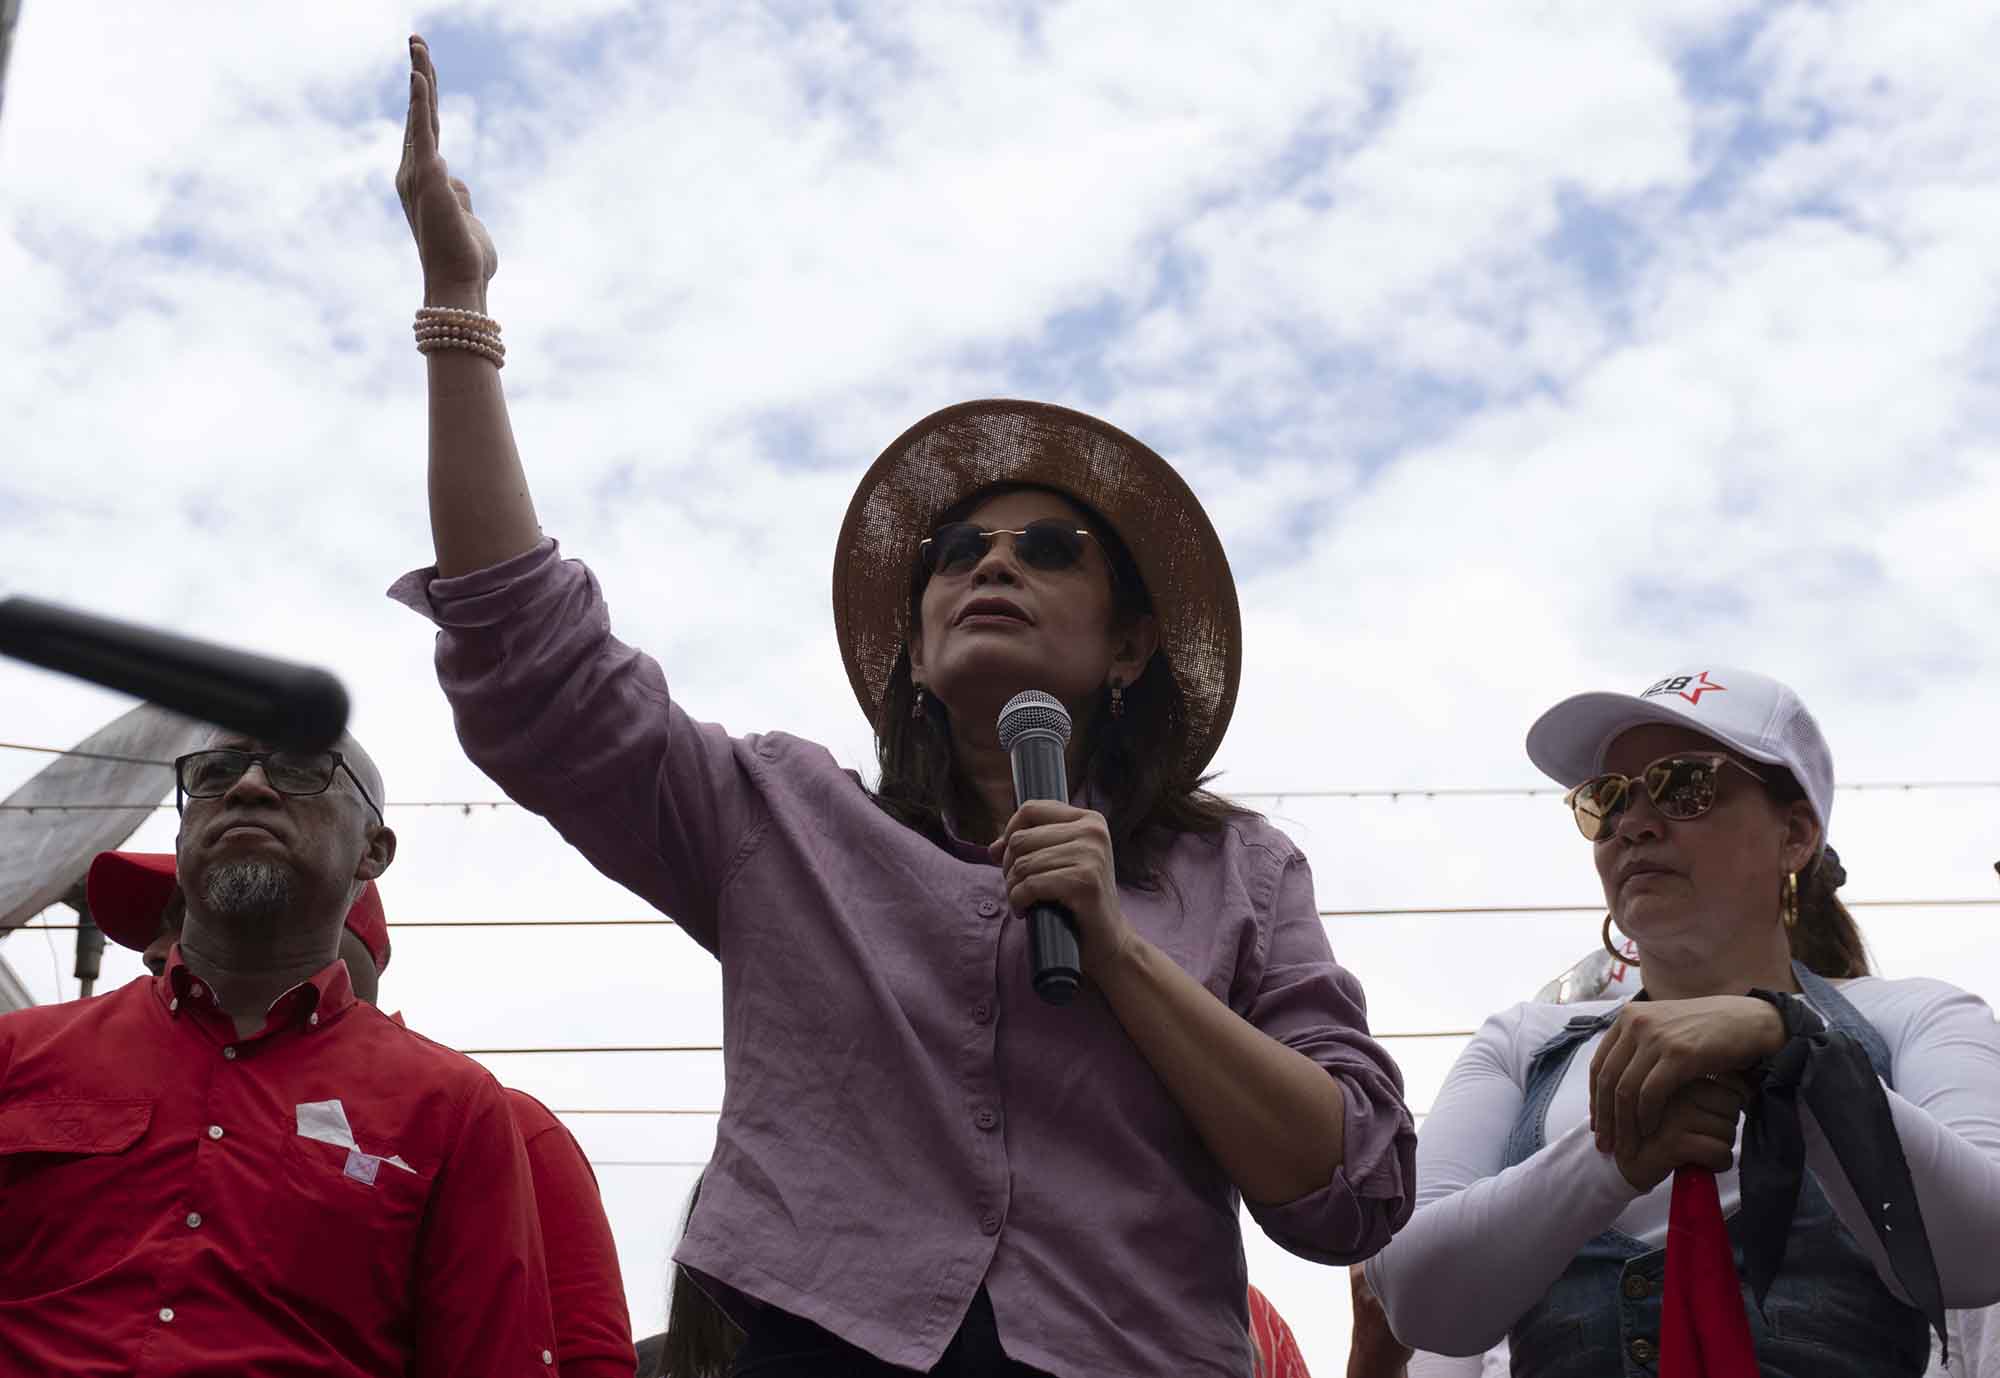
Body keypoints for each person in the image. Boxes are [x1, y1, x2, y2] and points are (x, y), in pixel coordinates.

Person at [390, 34, 1415, 1378]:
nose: (990, 561)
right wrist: (458, 309)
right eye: (955, 551)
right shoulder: (779, 818)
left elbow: (1349, 1183)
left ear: (1130, 649)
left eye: (1051, 549)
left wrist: (1118, 951)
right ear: (916, 658)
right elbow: (533, 664)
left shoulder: (1239, 875)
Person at [1364, 667, 2000, 1376]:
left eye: (1684, 784)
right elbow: (1413, 1296)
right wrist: (1613, 1157)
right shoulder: (1523, 1044)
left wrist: (1797, 1052)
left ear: (1794, 834)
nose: (1633, 824)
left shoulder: (1918, 1019)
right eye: (1607, 799)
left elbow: (1982, 1257)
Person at [0, 730, 558, 1375]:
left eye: (299, 771)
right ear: (182, 841)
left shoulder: (454, 1107)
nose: (247, 786)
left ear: (372, 852)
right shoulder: (18, 1055)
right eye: (214, 773)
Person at [86, 846, 638, 1378]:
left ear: (330, 932)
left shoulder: (505, 1127)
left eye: (192, 913)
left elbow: (587, 1359)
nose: (160, 949)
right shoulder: (131, 1110)